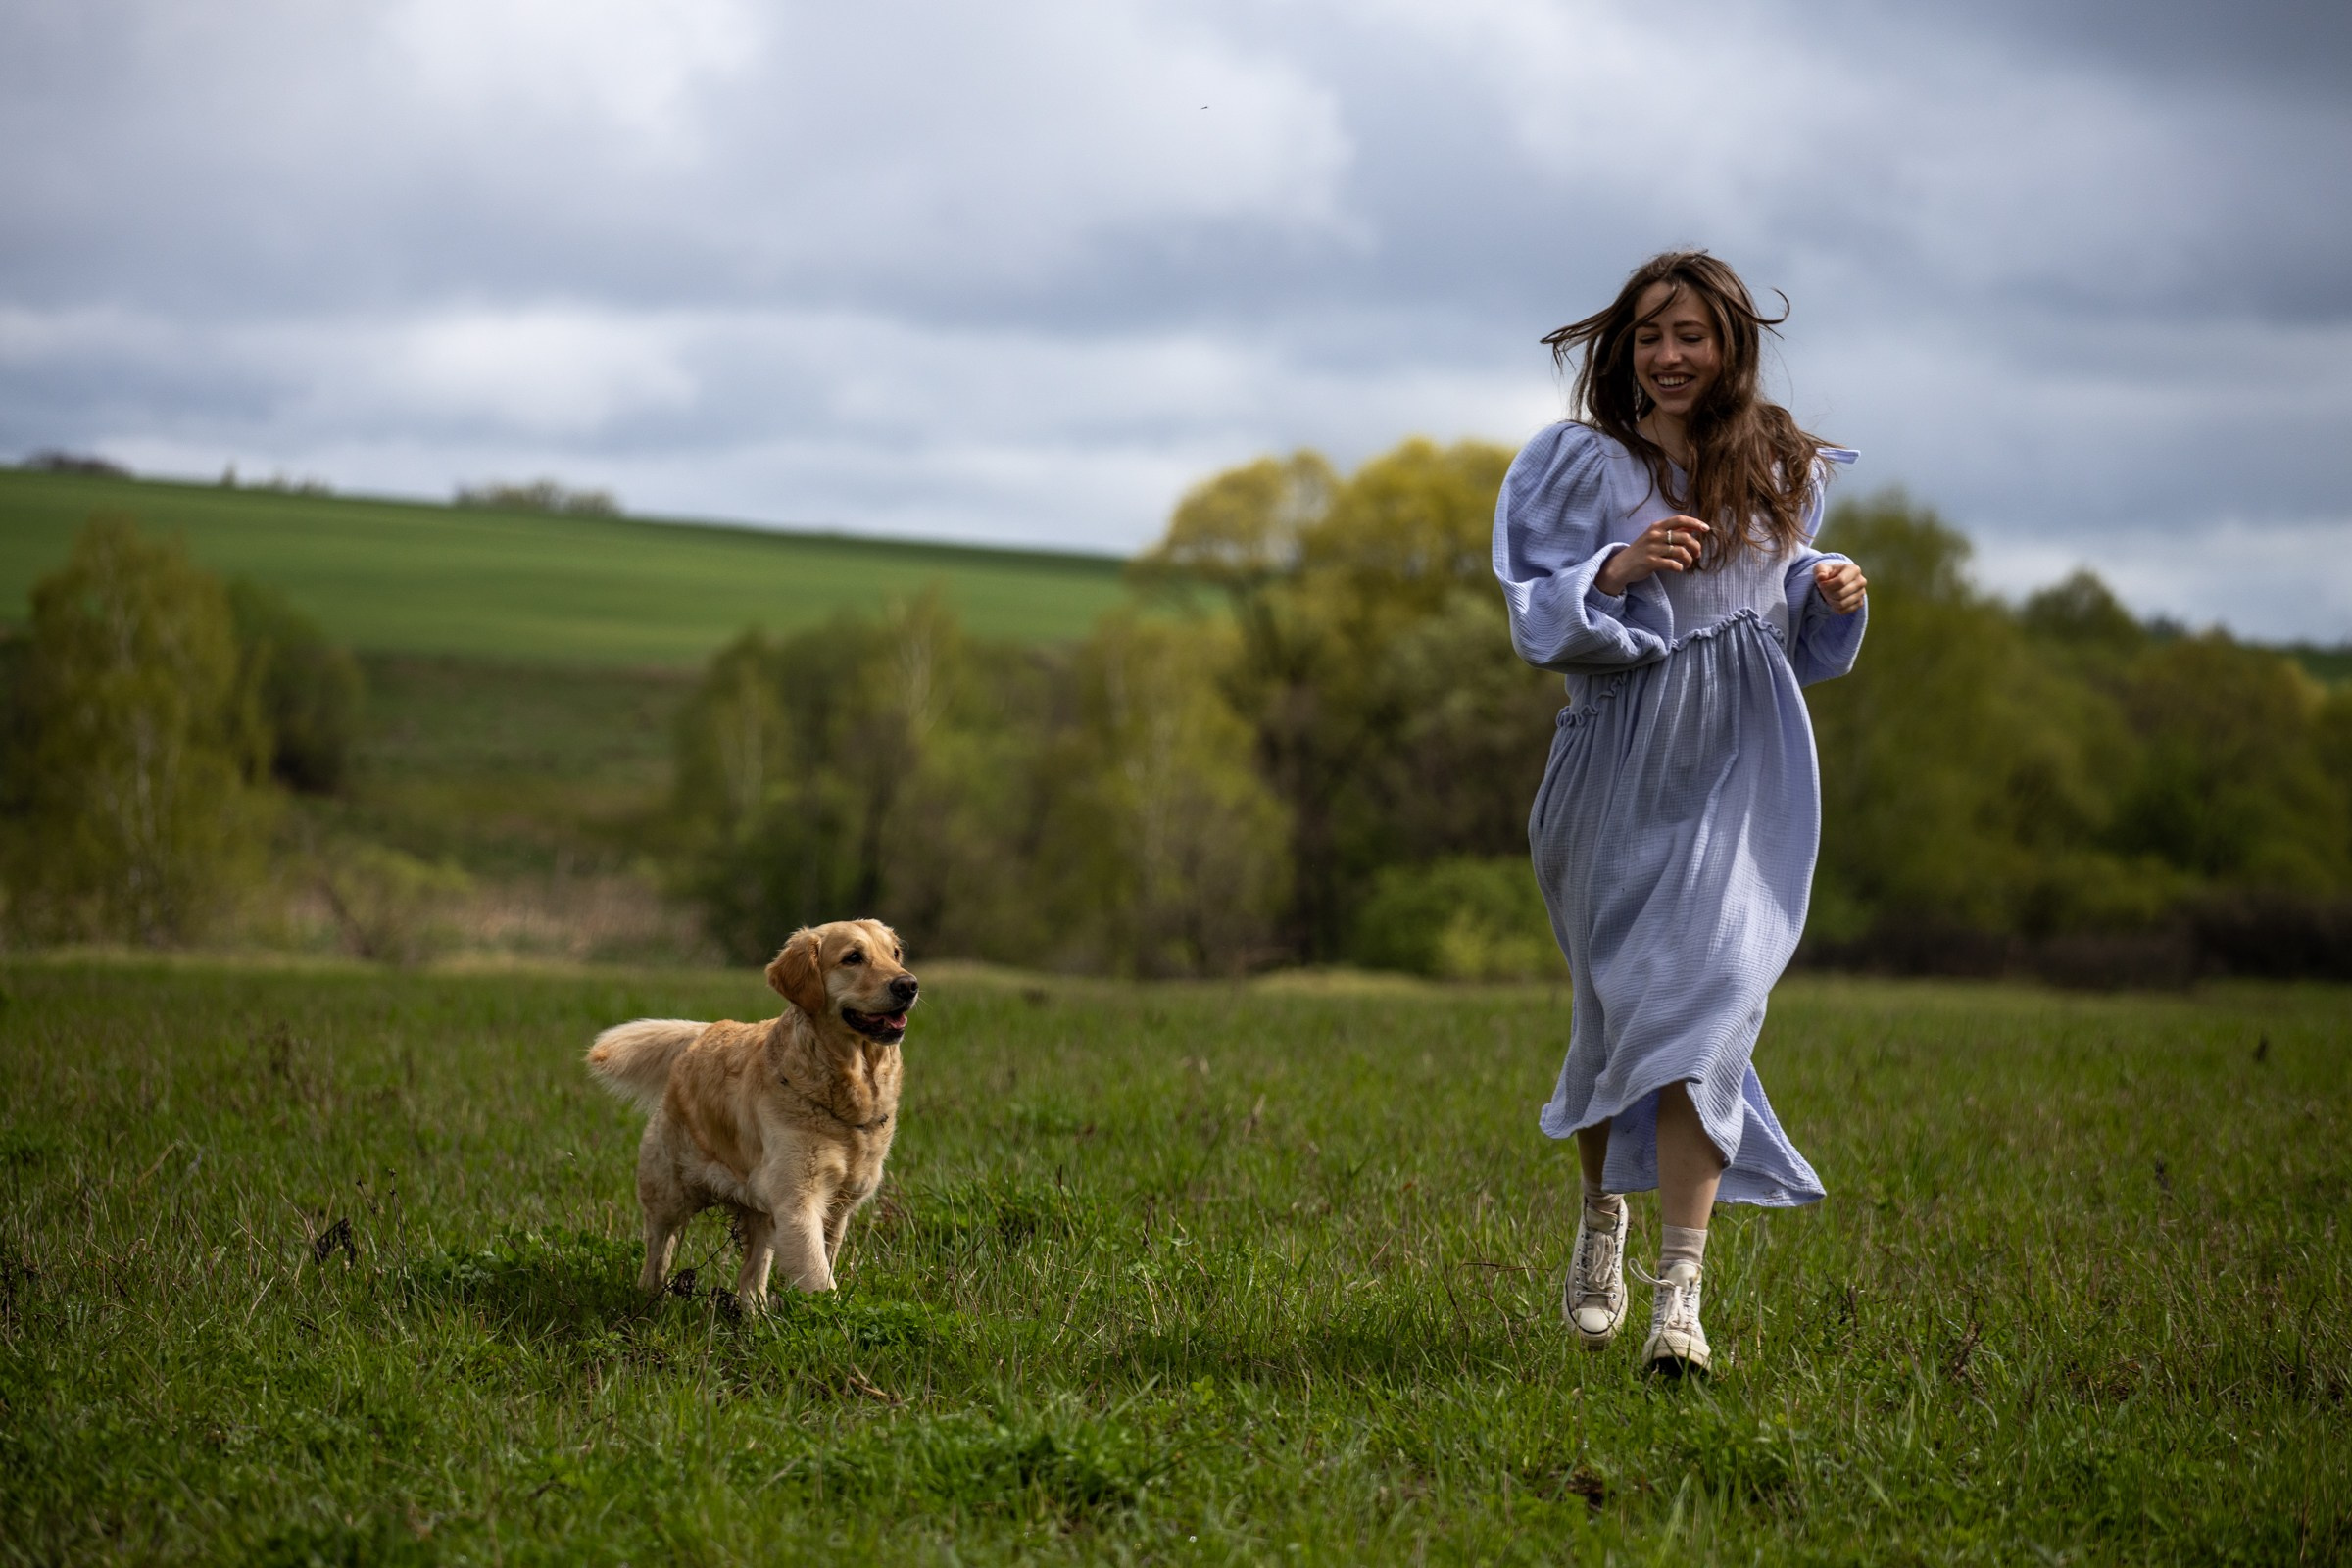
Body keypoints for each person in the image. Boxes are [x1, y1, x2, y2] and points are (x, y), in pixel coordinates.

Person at [1491, 251, 1869, 1376]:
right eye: (1652, 334)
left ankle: (1681, 1304)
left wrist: (1828, 585)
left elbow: (1779, 586)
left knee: (1708, 1009)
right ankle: (1601, 1221)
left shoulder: (1780, 460)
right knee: (1619, 1019)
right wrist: (1617, 566)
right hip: (1617, 755)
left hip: (1740, 763)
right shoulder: (1580, 463)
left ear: (1730, 345)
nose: (1669, 354)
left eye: (1691, 334)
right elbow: (1533, 608)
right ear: (1624, 350)